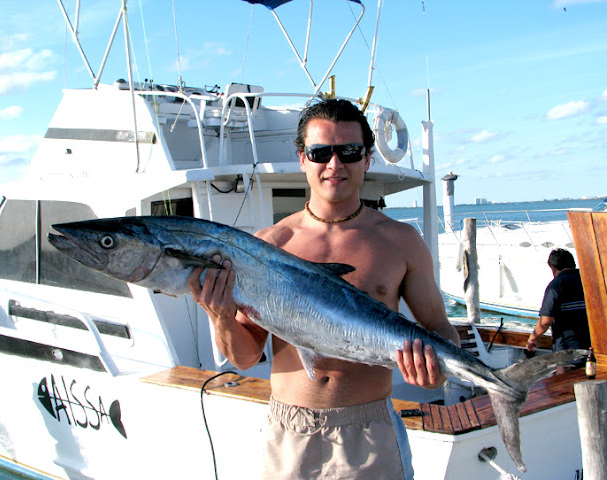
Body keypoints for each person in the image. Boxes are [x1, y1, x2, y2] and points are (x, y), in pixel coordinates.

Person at [188, 98, 459, 480]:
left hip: (370, 433)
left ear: (367, 159)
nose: (335, 164)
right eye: (320, 152)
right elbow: (246, 356)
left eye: (349, 151)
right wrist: (218, 316)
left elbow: (439, 326)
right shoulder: (269, 245)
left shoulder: (401, 240)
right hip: (290, 433)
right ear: (302, 159)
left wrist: (436, 373)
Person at [526, 248, 591, 370]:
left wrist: (533, 338)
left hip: (567, 349)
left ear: (553, 268)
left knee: (564, 385)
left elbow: (545, 321)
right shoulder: (588, 280)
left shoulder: (556, 286)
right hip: (592, 347)